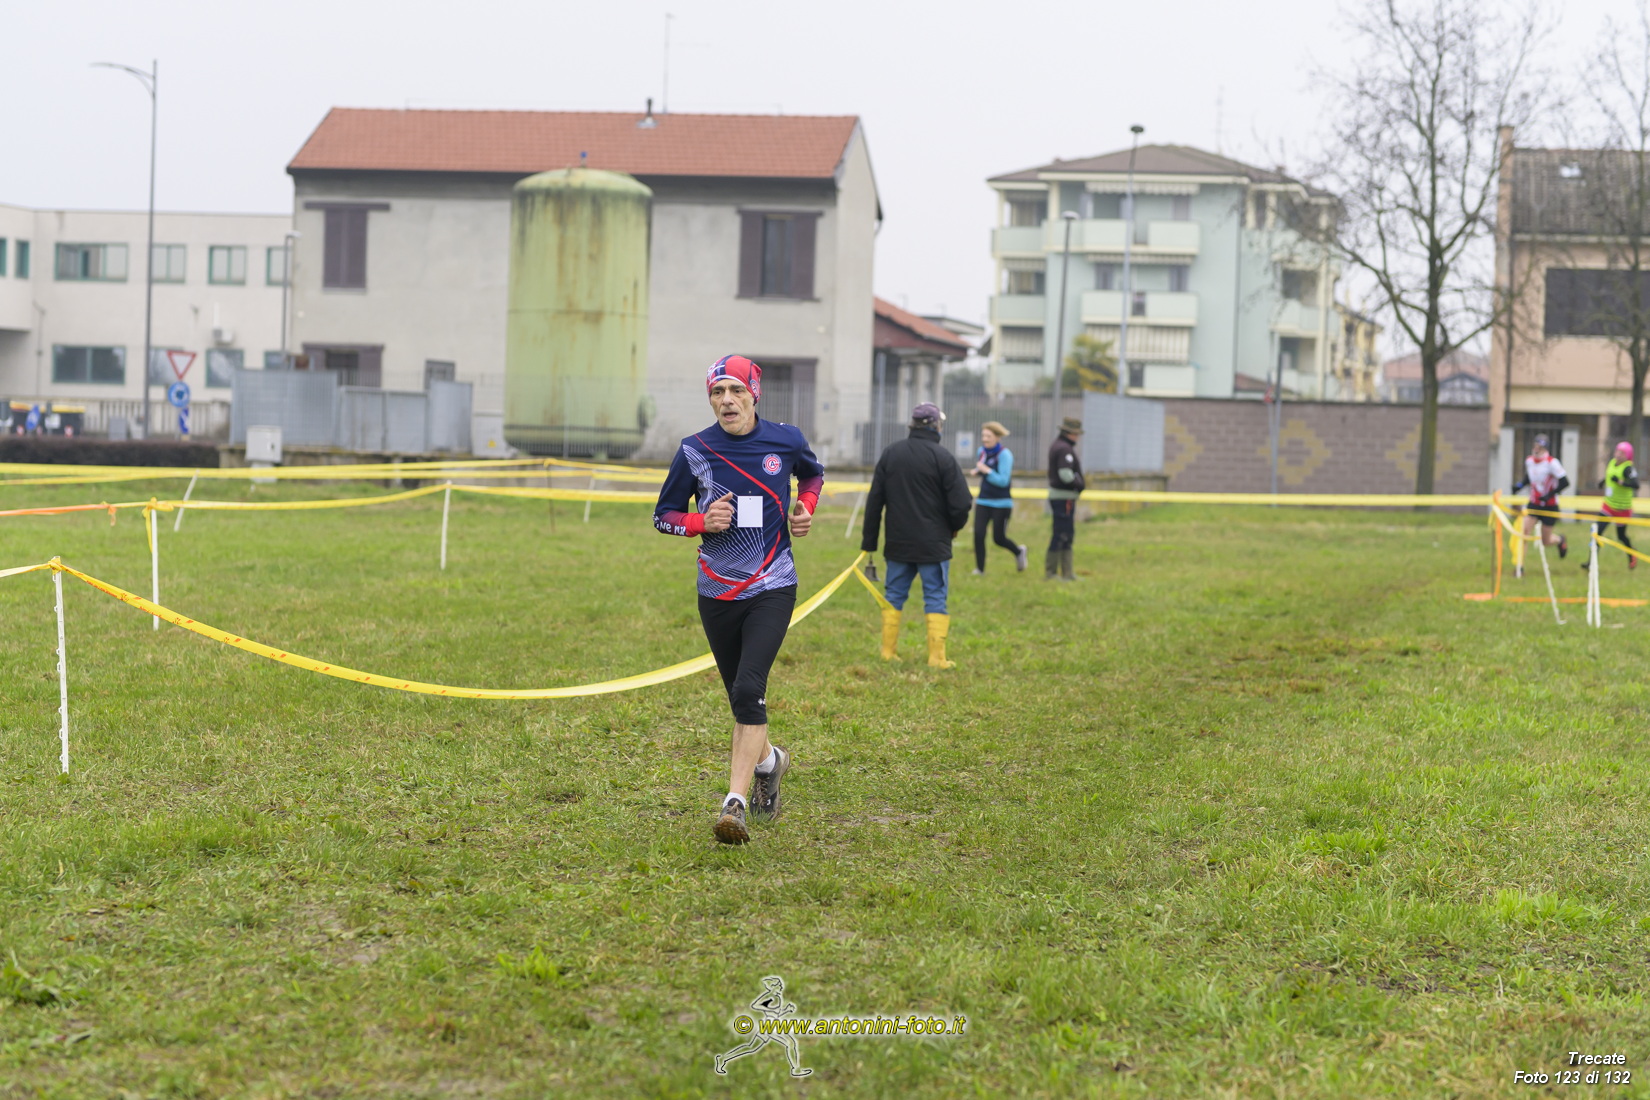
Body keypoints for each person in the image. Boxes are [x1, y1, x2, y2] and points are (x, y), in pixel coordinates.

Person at [653, 355, 823, 845]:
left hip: (773, 585)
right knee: (741, 700)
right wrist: (698, 522)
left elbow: (813, 476)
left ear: (754, 394)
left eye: (735, 390)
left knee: (750, 690)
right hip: (717, 592)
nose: (726, 400)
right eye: (717, 392)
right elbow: (664, 515)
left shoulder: (786, 440)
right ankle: (771, 762)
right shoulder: (694, 449)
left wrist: (805, 506)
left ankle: (735, 804)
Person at [861, 401, 973, 668]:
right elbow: (962, 503)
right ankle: (937, 657)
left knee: (893, 595)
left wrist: (870, 542)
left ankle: (888, 652)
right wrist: (954, 527)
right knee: (935, 596)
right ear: (936, 426)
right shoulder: (943, 457)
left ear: (912, 424)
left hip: (898, 543)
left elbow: (875, 501)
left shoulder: (891, 453)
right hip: (934, 545)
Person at [970, 420, 1027, 575]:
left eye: (988, 436)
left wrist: (986, 471)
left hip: (1001, 503)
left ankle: (1018, 552)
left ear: (997, 437)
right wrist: (977, 471)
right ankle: (980, 569)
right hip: (983, 500)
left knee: (998, 538)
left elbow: (1003, 481)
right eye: (983, 435)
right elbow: (983, 468)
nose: (985, 439)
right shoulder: (981, 451)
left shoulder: (1005, 455)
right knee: (978, 534)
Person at [1511, 434, 1568, 578]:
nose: (1536, 449)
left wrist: (1550, 494)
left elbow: (1565, 482)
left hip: (1550, 505)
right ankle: (1519, 568)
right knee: (1524, 533)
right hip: (1534, 503)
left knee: (1545, 541)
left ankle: (1560, 540)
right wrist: (1519, 486)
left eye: (1540, 447)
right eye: (1535, 446)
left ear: (1545, 449)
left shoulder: (1552, 463)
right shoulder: (1529, 461)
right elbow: (1529, 477)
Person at [1584, 440, 1639, 572]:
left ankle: (1632, 555)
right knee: (1597, 532)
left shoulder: (1628, 468)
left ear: (1628, 456)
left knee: (1621, 536)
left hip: (1622, 508)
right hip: (1608, 505)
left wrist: (1621, 482)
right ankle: (1591, 563)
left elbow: (1636, 485)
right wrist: (1603, 482)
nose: (1618, 455)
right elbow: (1610, 475)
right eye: (1617, 451)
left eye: (1622, 453)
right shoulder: (1612, 462)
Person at [1045, 417, 1085, 581]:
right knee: (1062, 534)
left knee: (1066, 534)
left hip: (1062, 498)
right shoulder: (1064, 449)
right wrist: (1080, 484)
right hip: (1063, 498)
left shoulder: (1059, 446)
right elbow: (1065, 475)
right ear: (1070, 433)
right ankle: (1053, 573)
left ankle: (1066, 573)